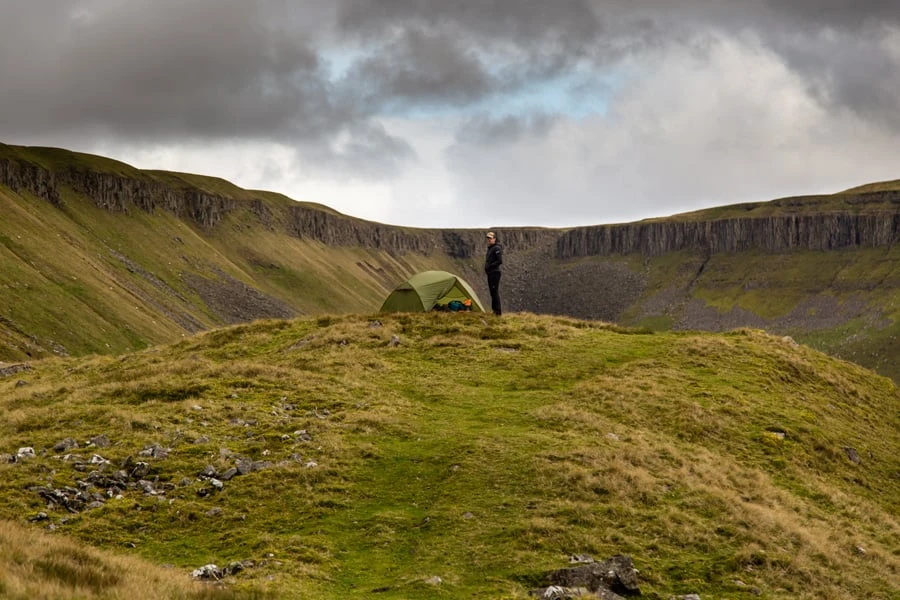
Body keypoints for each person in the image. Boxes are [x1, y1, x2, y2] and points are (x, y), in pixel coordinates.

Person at [484, 231, 503, 316]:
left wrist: (490, 266)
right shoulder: (490, 248)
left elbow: (499, 261)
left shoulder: (496, 248)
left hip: (495, 272)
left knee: (494, 292)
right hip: (490, 273)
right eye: (488, 238)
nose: (489, 240)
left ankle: (498, 312)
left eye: (490, 238)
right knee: (492, 292)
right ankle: (494, 310)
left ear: (494, 239)